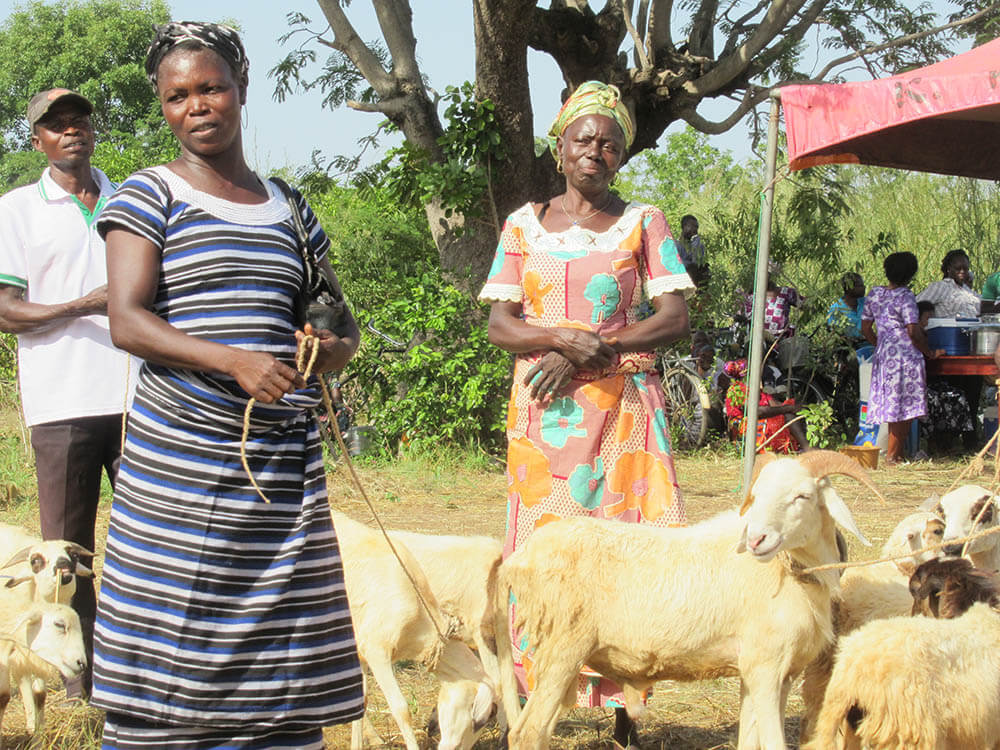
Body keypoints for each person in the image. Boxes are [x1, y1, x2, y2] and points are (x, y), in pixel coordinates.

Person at [90, 22, 364, 748]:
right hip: (180, 465)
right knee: (172, 635)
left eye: (210, 87)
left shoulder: (289, 208)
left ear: (240, 88)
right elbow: (127, 320)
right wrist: (234, 360)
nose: (197, 106)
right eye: (177, 96)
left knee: (280, 648)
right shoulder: (150, 197)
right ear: (163, 108)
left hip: (277, 472)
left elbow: (341, 323)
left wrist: (327, 351)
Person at [480, 80, 693, 749]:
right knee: (545, 553)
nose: (594, 152)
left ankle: (626, 708)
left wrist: (591, 349)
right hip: (545, 419)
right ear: (560, 147)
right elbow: (500, 325)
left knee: (624, 548)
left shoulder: (643, 222)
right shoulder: (522, 224)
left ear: (620, 156)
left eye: (608, 143)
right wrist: (559, 342)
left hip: (622, 413)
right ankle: (538, 691)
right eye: (583, 139)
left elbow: (674, 317)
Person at [0, 87, 131, 698]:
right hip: (62, 401)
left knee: (150, 537)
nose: (70, 130)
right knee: (65, 556)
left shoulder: (127, 199)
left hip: (138, 396)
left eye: (79, 119)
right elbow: (6, 310)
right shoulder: (16, 210)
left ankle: (143, 670)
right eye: (56, 125)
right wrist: (87, 304)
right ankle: (76, 685)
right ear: (38, 141)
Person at [863, 252, 943, 465]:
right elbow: (913, 332)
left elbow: (865, 327)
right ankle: (892, 456)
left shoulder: (875, 293)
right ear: (910, 275)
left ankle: (895, 454)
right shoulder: (905, 296)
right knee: (905, 407)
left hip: (884, 355)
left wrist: (880, 345)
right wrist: (930, 352)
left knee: (892, 404)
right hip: (905, 357)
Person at [916, 248, 990, 447]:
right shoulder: (941, 287)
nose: (963, 272)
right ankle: (944, 440)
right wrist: (927, 329)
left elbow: (981, 310)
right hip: (947, 349)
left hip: (970, 350)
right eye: (958, 268)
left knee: (973, 392)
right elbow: (917, 305)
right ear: (948, 269)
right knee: (950, 394)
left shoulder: (967, 290)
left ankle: (970, 439)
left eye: (966, 268)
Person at [918, 300, 975, 454]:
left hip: (937, 382)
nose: (931, 321)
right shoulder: (916, 338)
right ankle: (932, 442)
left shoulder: (935, 336)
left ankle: (950, 440)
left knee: (958, 396)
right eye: (928, 318)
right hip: (919, 385)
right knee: (934, 399)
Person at [722, 359, 810, 453]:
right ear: (746, 373)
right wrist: (788, 408)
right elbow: (756, 412)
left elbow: (776, 405)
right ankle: (807, 448)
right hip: (745, 428)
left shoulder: (755, 388)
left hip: (758, 422)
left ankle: (804, 446)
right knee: (788, 414)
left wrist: (798, 407)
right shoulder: (737, 389)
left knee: (792, 411)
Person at [827, 271, 866, 344]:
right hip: (847, 349)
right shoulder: (836, 309)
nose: (864, 287)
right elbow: (835, 335)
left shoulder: (865, 303)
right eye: (860, 285)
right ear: (850, 288)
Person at [678, 214, 709, 286]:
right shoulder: (676, 245)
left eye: (696, 227)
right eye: (692, 226)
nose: (695, 230)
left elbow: (698, 262)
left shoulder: (696, 243)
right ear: (684, 226)